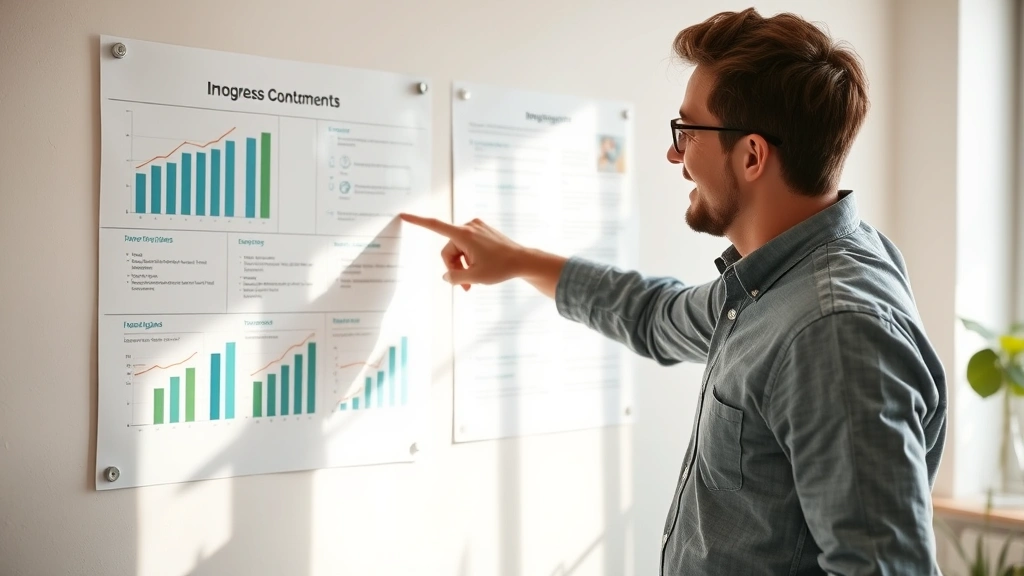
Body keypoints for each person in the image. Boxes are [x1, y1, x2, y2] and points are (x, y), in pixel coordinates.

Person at [402, 7, 947, 576]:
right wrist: (517, 260)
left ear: (753, 155)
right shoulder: (779, 282)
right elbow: (654, 314)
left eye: (686, 131)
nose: (673, 153)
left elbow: (886, 569)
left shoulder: (832, 331)